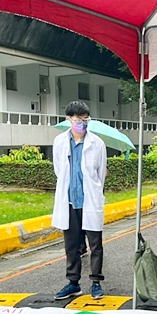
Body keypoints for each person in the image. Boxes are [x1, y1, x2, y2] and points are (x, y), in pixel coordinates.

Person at [52, 101, 107, 300]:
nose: (82, 124)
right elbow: (59, 170)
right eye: (78, 120)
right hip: (69, 201)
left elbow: (100, 174)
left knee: (95, 245)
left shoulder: (97, 143)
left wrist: (95, 193)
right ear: (69, 119)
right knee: (72, 246)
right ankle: (73, 283)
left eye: (85, 120)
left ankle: (96, 282)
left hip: (90, 200)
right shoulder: (60, 142)